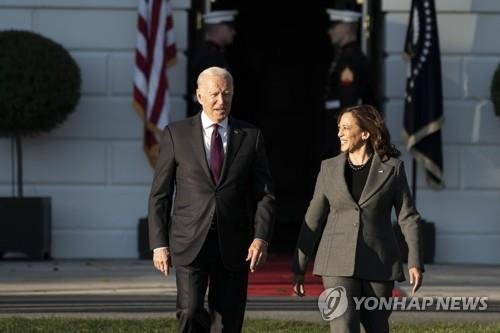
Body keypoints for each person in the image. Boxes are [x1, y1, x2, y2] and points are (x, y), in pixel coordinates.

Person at [148, 66, 275, 332]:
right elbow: (160, 193)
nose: (221, 101)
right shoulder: (176, 134)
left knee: (227, 320)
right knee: (190, 310)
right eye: (215, 94)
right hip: (189, 239)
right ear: (199, 96)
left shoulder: (251, 136)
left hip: (234, 241)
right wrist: (159, 243)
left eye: (227, 94)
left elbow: (264, 194)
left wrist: (260, 237)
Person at [292, 105, 424, 333]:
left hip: (379, 263)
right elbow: (313, 219)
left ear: (365, 133)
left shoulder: (393, 168)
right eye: (338, 128)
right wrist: (299, 266)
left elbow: (408, 217)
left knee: (377, 328)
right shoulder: (328, 168)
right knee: (343, 327)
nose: (339, 133)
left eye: (345, 128)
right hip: (335, 263)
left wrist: (415, 261)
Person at [323, 8, 376, 159]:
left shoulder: (350, 60)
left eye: (334, 26)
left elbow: (349, 104)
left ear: (346, 27)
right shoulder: (345, 56)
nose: (330, 31)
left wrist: (346, 140)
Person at [188, 10, 237, 117]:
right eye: (230, 28)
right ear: (219, 28)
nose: (233, 32)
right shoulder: (208, 56)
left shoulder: (217, 54)